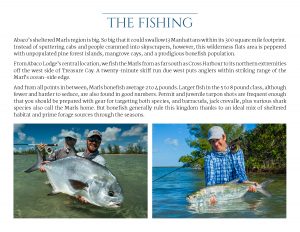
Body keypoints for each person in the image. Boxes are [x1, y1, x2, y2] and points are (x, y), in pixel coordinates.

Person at [204, 126, 256, 205]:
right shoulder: (209, 158)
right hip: (218, 196)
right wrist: (210, 196)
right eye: (212, 141)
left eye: (217, 140)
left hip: (237, 193)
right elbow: (210, 181)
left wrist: (248, 183)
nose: (216, 144)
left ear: (224, 137)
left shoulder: (236, 152)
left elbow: (241, 173)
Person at [76, 129, 106, 203]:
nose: (94, 142)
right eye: (92, 139)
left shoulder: (101, 161)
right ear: (87, 140)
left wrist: (85, 195)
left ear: (100, 143)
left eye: (97, 140)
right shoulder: (77, 155)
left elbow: (98, 183)